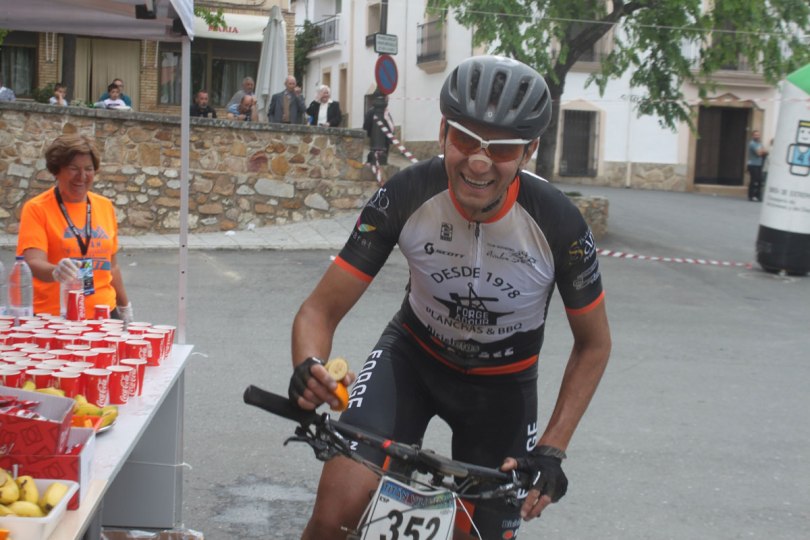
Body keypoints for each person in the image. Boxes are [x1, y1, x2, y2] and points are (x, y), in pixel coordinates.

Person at [287, 55, 611, 539]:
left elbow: (594, 344)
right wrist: (309, 366)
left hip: (503, 390)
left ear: (529, 151)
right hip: (411, 362)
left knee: (477, 535)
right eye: (465, 139)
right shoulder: (406, 194)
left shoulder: (559, 223)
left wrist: (552, 448)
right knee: (335, 511)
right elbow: (319, 309)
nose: (479, 161)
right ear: (443, 132)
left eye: (502, 148)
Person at [16, 134, 133, 322]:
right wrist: (55, 271)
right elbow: (34, 262)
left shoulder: (104, 206)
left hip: (103, 314)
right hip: (55, 317)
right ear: (56, 170)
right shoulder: (37, 208)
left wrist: (124, 307)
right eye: (73, 169)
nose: (82, 176)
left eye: (88, 169)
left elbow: (112, 266)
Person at [363, 90, 394, 163]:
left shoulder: (386, 112)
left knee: (383, 160)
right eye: (386, 98)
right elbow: (366, 126)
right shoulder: (372, 112)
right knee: (376, 160)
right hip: (376, 141)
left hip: (385, 141)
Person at [747, 129, 769, 202]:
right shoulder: (752, 144)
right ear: (753, 136)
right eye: (755, 135)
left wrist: (762, 151)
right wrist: (762, 151)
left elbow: (766, 151)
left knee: (759, 180)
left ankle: (758, 196)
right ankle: (751, 196)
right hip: (753, 164)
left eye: (758, 135)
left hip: (759, 164)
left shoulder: (760, 143)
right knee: (754, 180)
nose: (757, 136)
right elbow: (758, 153)